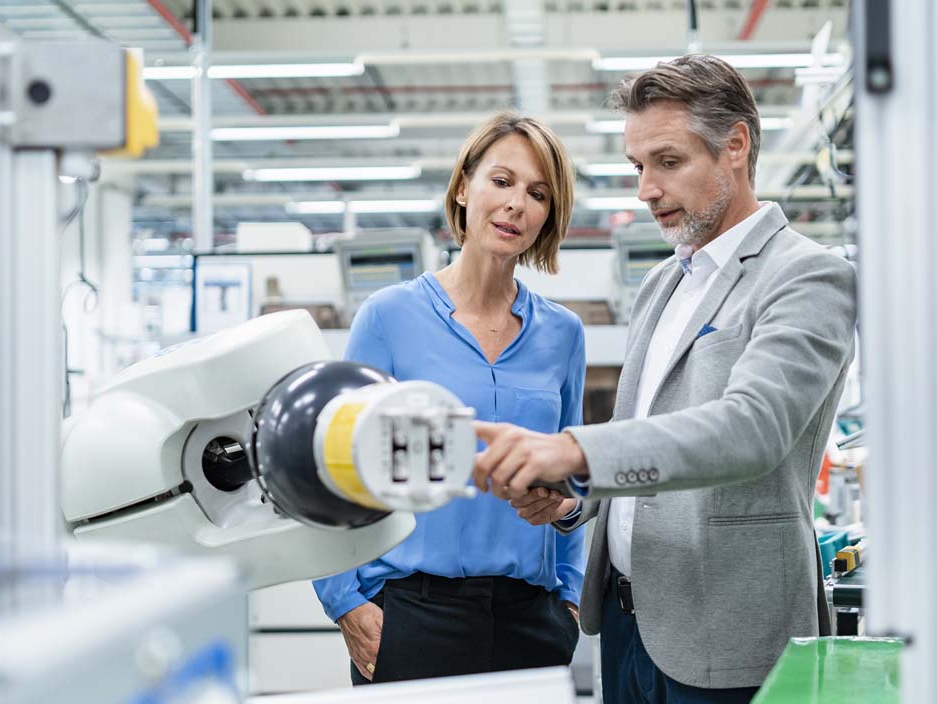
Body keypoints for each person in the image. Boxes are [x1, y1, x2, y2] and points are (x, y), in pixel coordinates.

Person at [473, 55, 858, 703]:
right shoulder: (662, 283)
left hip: (729, 633)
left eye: (668, 162)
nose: (646, 189)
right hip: (628, 625)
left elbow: (750, 430)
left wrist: (576, 449)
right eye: (637, 167)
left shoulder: (807, 275)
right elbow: (645, 435)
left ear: (735, 145)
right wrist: (577, 494)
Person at [313, 112, 586, 685]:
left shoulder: (563, 335)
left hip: (530, 622)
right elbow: (331, 471)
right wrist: (345, 602)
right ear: (464, 187)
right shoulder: (389, 317)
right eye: (502, 181)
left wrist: (572, 599)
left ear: (549, 216)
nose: (516, 204)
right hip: (411, 615)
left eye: (538, 193)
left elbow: (574, 477)